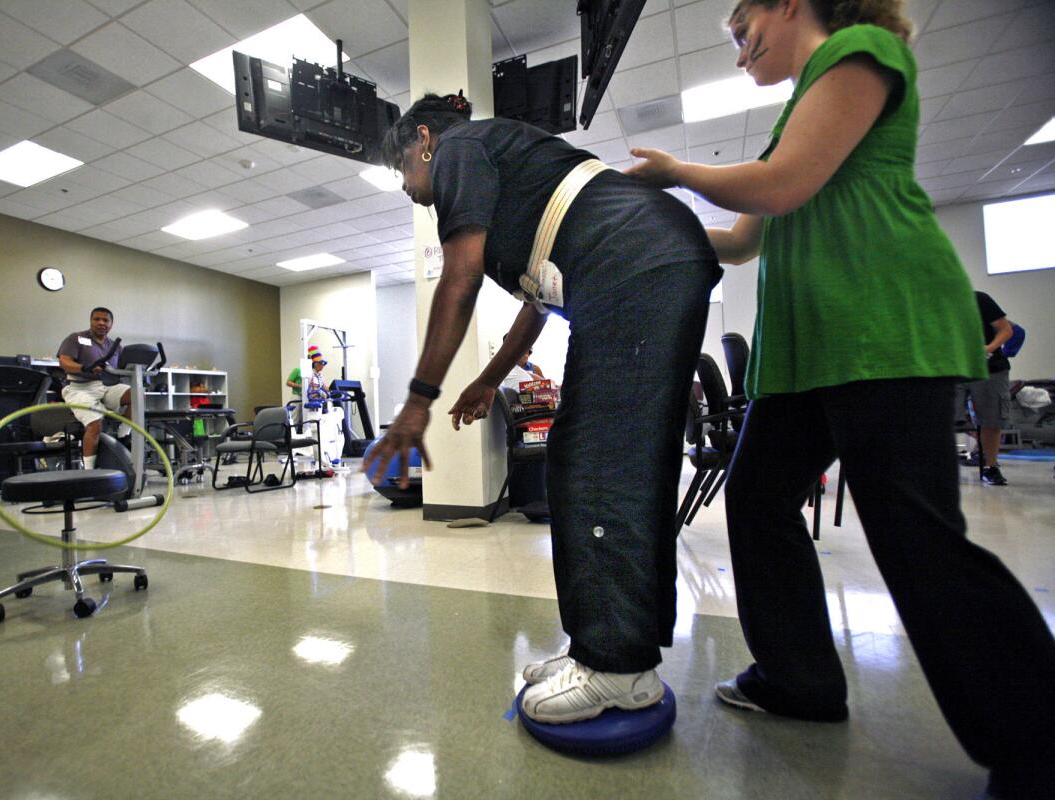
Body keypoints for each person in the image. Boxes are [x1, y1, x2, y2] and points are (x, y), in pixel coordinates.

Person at [624, 1, 1055, 795]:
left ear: (788, 3)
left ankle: (1041, 739)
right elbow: (745, 237)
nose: (738, 45)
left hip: (883, 328)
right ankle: (801, 682)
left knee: (916, 537)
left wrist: (677, 170)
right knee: (756, 501)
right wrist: (642, 225)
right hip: (807, 353)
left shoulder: (858, 49)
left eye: (741, 23)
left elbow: (782, 188)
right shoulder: (794, 113)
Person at [364, 92, 720, 725]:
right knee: (593, 459)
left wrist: (418, 403)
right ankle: (605, 648)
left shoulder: (459, 149)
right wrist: (486, 380)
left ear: (423, 140)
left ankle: (619, 668)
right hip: (639, 263)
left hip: (633, 264)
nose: (409, 189)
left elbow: (460, 277)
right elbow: (538, 298)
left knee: (599, 465)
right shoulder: (506, 166)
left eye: (403, 173)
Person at [57, 307, 130, 469]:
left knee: (136, 395)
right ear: (91, 321)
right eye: (97, 319)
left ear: (111, 324)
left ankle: (123, 435)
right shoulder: (76, 338)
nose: (101, 323)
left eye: (105, 320)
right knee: (95, 424)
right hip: (80, 388)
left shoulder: (115, 345)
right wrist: (85, 368)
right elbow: (64, 362)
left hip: (106, 386)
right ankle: (89, 471)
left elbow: (124, 367)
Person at [956, 291, 1014, 485]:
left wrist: (988, 348)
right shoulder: (931, 303)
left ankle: (991, 467)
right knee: (944, 417)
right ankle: (942, 467)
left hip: (989, 368)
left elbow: (1006, 330)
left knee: (991, 419)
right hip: (954, 368)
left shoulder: (979, 299)